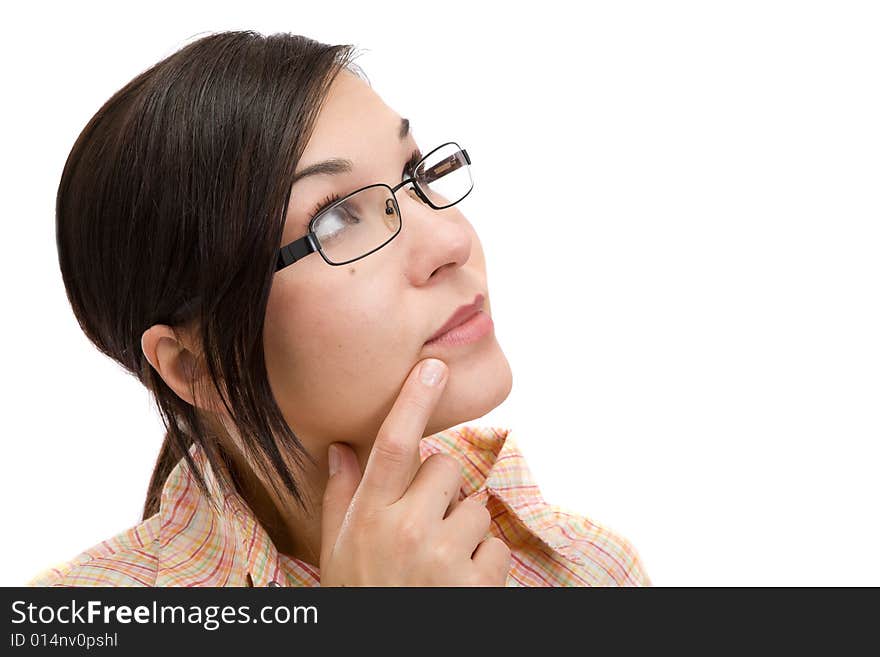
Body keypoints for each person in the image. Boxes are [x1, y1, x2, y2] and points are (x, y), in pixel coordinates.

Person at [28, 30, 650, 587]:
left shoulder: (586, 570)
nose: (450, 241)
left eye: (413, 174)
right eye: (335, 219)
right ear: (195, 365)